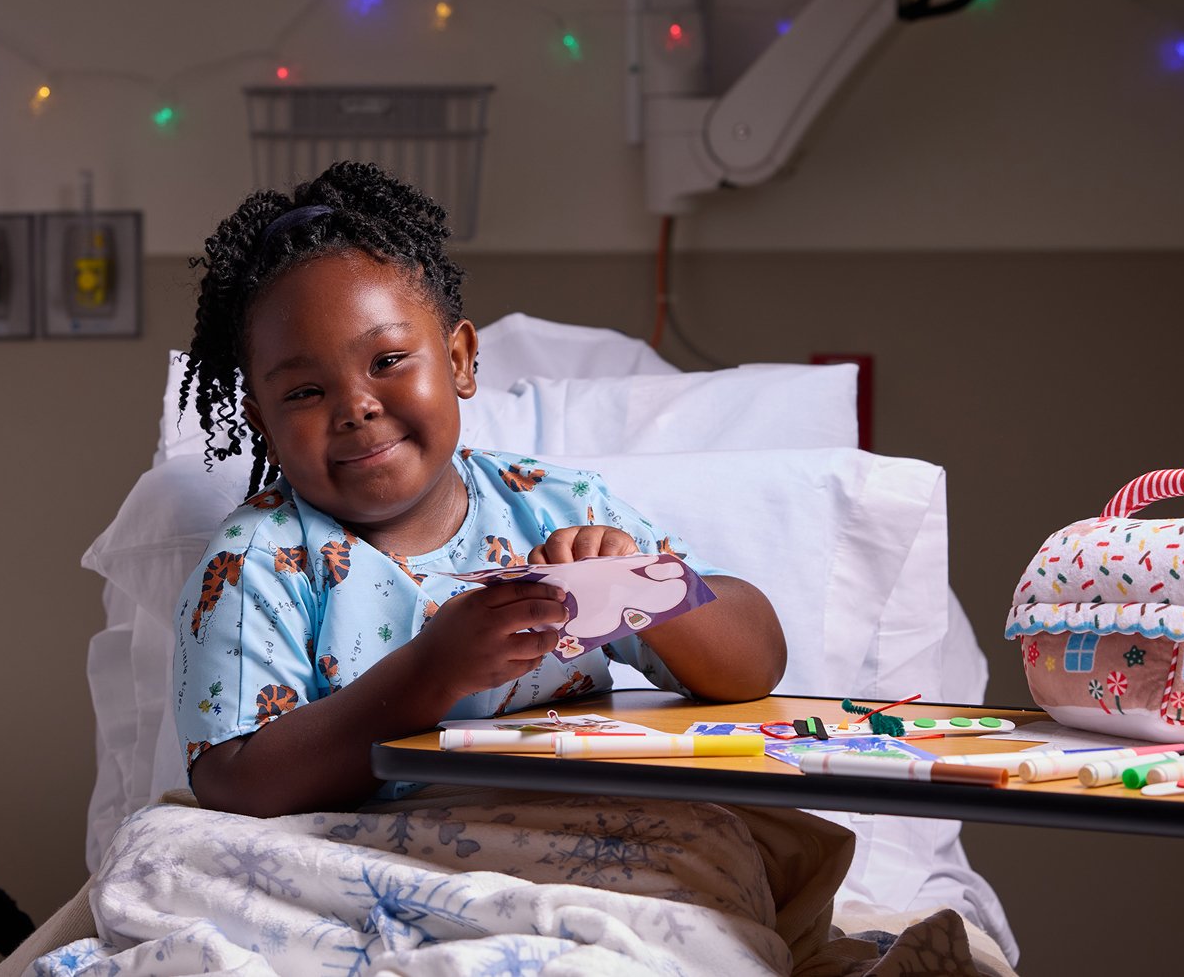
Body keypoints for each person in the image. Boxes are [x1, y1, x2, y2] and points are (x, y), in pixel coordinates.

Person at [171, 161, 787, 819]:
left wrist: (644, 584)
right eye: (303, 392)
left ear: (460, 360)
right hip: (368, 857)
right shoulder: (258, 561)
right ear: (263, 418)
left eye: (387, 362)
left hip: (580, 828)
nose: (355, 407)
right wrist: (431, 672)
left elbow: (757, 664)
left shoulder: (556, 506)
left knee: (741, 837)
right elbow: (233, 782)